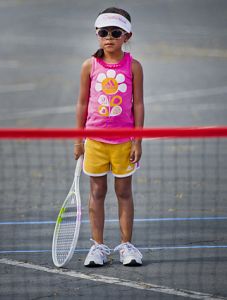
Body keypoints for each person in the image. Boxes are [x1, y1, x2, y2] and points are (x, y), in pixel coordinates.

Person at [74, 7, 145, 267]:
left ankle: (126, 245)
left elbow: (138, 105)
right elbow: (82, 104)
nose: (109, 37)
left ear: (127, 36)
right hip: (95, 142)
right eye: (104, 32)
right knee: (97, 192)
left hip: (124, 142)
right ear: (97, 34)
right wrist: (78, 139)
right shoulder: (88, 66)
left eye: (116, 32)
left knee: (124, 192)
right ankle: (97, 246)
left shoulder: (134, 66)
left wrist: (138, 140)